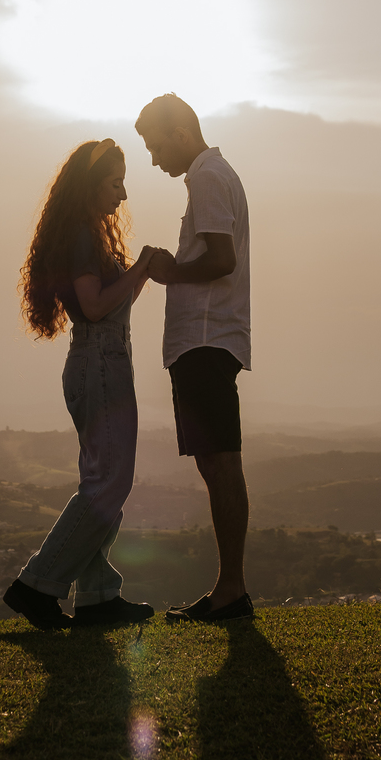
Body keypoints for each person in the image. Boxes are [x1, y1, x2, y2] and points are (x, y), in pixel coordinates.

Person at [3, 138, 156, 631]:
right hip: (101, 362)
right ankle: (36, 585)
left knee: (104, 480)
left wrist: (139, 275)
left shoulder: (86, 233)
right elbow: (93, 306)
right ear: (91, 186)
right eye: (115, 184)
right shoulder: (83, 238)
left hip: (99, 361)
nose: (123, 195)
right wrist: (140, 268)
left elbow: (107, 303)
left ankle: (97, 596)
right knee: (108, 482)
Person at [134, 94, 254, 622]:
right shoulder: (211, 176)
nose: (154, 160)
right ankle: (230, 589)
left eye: (157, 147)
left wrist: (170, 271)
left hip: (206, 340)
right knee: (214, 462)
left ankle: (232, 591)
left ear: (181, 134)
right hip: (206, 340)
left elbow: (222, 259)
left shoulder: (207, 177)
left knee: (221, 462)